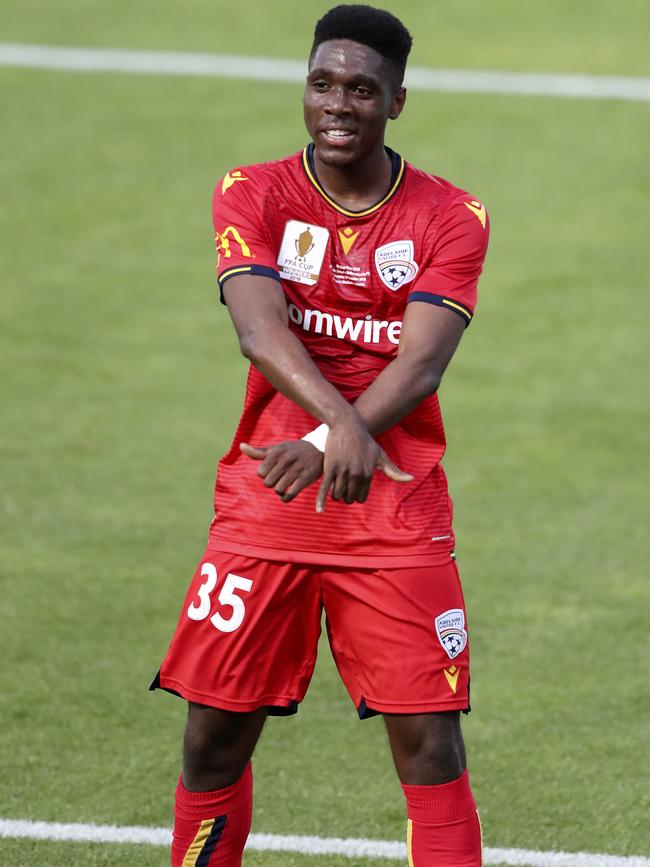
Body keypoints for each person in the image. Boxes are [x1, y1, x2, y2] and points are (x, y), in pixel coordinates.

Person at [151, 4, 490, 865]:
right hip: (270, 493)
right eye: (322, 84)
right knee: (211, 739)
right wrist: (335, 426)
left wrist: (343, 438)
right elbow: (260, 332)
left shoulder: (452, 216)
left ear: (397, 102)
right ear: (305, 90)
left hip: (397, 512)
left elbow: (421, 365)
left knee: (432, 748)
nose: (338, 104)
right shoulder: (252, 190)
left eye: (361, 90)